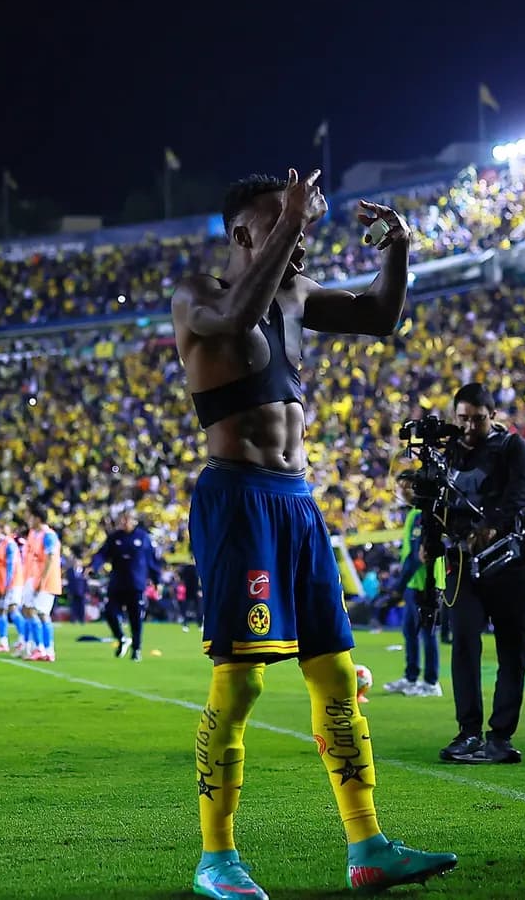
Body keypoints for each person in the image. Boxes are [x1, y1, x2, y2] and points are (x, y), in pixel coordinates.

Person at [172, 170, 455, 899]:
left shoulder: (296, 294)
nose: (300, 240)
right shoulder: (198, 295)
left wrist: (397, 248)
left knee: (334, 677)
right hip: (238, 500)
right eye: (279, 225)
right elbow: (236, 317)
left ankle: (367, 846)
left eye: (300, 226)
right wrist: (293, 220)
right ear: (242, 234)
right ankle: (216, 856)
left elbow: (380, 315)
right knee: (240, 685)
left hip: (299, 504)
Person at [436, 382, 525, 765]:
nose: (468, 427)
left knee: (512, 652)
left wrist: (493, 524)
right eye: (462, 419)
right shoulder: (445, 451)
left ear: (492, 417)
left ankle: (500, 735)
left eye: (477, 420)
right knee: (464, 643)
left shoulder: (513, 447)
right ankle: (468, 732)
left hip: (512, 565)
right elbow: (432, 502)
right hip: (465, 563)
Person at [383, 493, 442, 697]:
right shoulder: (413, 515)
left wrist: (398, 586)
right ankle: (411, 678)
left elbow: (417, 555)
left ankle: (431, 683)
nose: (401, 492)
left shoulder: (422, 515)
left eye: (406, 487)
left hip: (425, 583)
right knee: (410, 633)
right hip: (412, 583)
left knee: (427, 633)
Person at [93, 509, 159, 661]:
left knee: (135, 618)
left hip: (136, 584)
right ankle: (121, 637)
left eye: (127, 520)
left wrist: (156, 581)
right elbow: (102, 554)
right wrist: (94, 566)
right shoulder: (114, 537)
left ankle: (136, 649)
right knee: (109, 612)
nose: (124, 523)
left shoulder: (143, 538)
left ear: (134, 521)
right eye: (122, 520)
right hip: (117, 583)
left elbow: (151, 561)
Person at [23, 511, 63, 662]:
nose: (28, 520)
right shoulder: (34, 534)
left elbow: (50, 558)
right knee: (30, 611)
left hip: (45, 580)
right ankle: (41, 648)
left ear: (38, 518)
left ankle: (46, 649)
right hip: (33, 578)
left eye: (31, 517)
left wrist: (42, 580)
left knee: (40, 613)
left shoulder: (49, 535)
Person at [0, 524, 24, 654]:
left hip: (14, 582)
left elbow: (11, 568)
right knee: (0, 610)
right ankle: (3, 643)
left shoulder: (9, 544)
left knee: (12, 608)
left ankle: (23, 639)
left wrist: (6, 586)